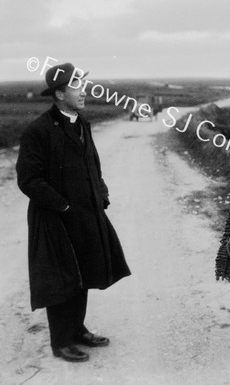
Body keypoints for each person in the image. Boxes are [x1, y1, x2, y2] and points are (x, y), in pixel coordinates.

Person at [16, 62, 131, 363]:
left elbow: (92, 163)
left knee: (84, 272)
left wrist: (101, 192)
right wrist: (63, 205)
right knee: (61, 278)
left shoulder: (82, 122)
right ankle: (61, 341)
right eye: (77, 86)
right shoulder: (39, 130)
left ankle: (77, 329)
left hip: (85, 213)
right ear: (59, 93)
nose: (84, 92)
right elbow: (28, 180)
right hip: (55, 218)